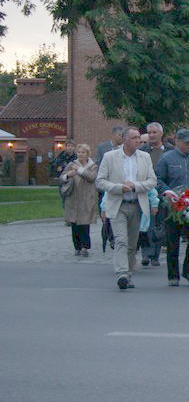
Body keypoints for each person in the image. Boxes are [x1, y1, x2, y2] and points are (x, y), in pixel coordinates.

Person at [95, 126, 157, 290]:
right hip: (118, 204)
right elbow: (100, 181)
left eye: (139, 138)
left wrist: (136, 185)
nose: (138, 141)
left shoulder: (145, 157)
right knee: (121, 240)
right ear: (124, 140)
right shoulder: (110, 157)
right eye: (134, 138)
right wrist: (117, 187)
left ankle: (128, 273)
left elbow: (152, 181)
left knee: (132, 243)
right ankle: (121, 273)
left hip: (136, 204)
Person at [155, 128, 189, 286]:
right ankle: (173, 275)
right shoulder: (166, 158)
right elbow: (158, 180)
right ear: (177, 141)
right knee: (172, 240)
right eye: (185, 142)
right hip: (173, 205)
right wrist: (167, 192)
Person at [139, 122, 172, 267]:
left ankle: (155, 255)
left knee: (159, 224)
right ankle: (146, 253)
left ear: (161, 134)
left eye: (154, 133)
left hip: (163, 192)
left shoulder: (170, 151)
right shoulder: (142, 151)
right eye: (149, 132)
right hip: (145, 191)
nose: (152, 135)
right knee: (146, 223)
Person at [60, 143, 98, 257]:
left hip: (86, 199)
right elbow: (61, 178)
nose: (81, 154)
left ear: (88, 154)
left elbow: (92, 177)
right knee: (74, 224)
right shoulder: (71, 164)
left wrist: (80, 170)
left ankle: (85, 247)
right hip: (73, 198)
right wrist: (68, 175)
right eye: (79, 152)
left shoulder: (93, 166)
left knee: (85, 224)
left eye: (83, 152)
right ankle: (76, 247)